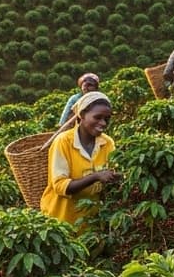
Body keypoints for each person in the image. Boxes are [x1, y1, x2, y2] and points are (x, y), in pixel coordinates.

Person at [41, 91, 118, 232]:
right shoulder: (63, 142)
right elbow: (59, 186)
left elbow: (113, 173)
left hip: (92, 223)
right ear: (82, 115)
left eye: (107, 119)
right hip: (61, 221)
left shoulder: (107, 143)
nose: (103, 123)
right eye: (98, 117)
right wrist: (96, 176)